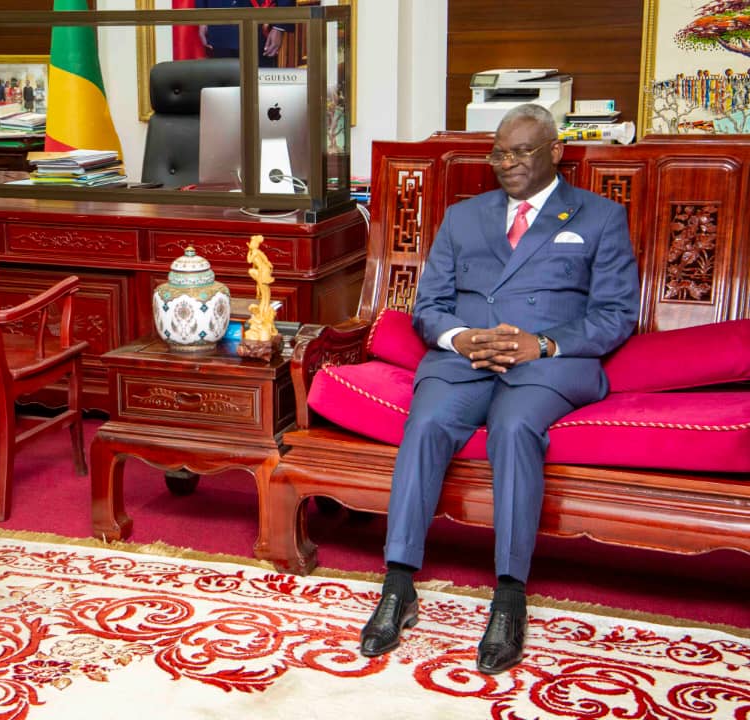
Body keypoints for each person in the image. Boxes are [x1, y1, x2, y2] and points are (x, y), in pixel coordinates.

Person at [358, 104, 640, 675]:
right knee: (428, 420)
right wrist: (461, 339)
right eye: (500, 153)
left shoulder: (598, 216)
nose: (508, 164)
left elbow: (616, 314)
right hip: (466, 360)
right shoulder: (465, 218)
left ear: (556, 152)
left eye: (522, 152)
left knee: (513, 428)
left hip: (546, 363)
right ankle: (398, 584)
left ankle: (510, 596)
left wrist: (545, 344)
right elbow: (428, 307)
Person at [195, 0, 296, 68]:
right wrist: (202, 17)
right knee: (223, 92)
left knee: (261, 90)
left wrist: (280, 26)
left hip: (259, 24)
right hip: (218, 18)